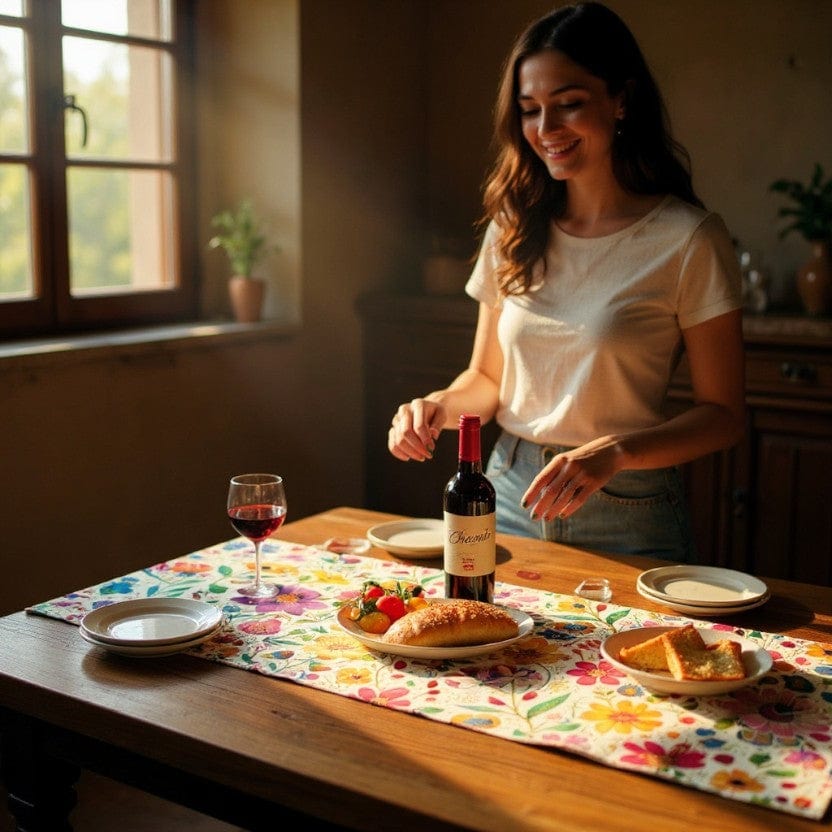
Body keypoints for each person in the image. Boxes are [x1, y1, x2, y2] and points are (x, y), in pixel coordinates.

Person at [387, 2, 745, 562]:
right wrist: (435, 407)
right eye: (530, 110)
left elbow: (723, 415)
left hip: (629, 507)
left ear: (621, 99)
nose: (546, 130)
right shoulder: (512, 225)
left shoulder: (688, 239)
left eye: (568, 105)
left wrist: (615, 453)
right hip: (506, 492)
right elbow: (486, 378)